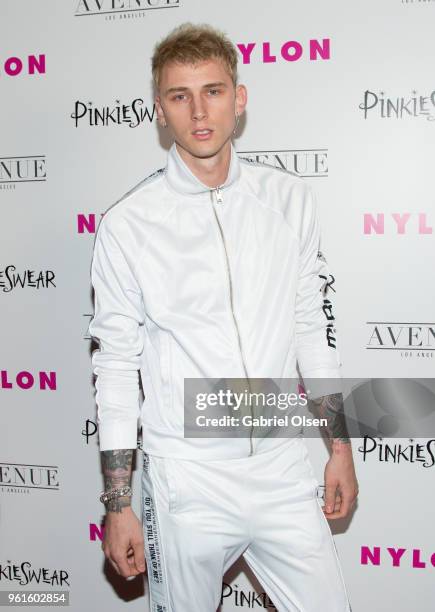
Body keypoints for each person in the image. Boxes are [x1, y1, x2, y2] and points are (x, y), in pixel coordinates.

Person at [89, 22, 358, 612]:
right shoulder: (127, 225)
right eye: (179, 96)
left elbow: (311, 328)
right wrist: (118, 504)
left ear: (239, 98)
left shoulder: (289, 201)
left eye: (212, 91)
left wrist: (339, 449)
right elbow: (114, 365)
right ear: (159, 110)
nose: (198, 111)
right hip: (188, 481)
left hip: (284, 470)